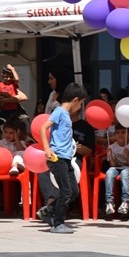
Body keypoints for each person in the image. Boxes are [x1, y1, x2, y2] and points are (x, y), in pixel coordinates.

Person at [39, 82, 88, 234]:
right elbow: (43, 128)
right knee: (66, 191)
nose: (80, 107)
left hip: (66, 158)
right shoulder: (59, 111)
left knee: (73, 191)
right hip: (57, 157)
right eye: (80, 103)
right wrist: (47, 148)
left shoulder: (66, 115)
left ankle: (49, 210)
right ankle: (58, 223)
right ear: (75, 100)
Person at [103, 127, 129, 218]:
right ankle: (109, 202)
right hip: (117, 167)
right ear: (115, 135)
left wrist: (127, 155)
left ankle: (125, 201)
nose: (120, 135)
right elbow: (113, 165)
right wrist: (110, 156)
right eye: (118, 133)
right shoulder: (112, 146)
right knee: (109, 172)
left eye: (123, 132)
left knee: (124, 173)